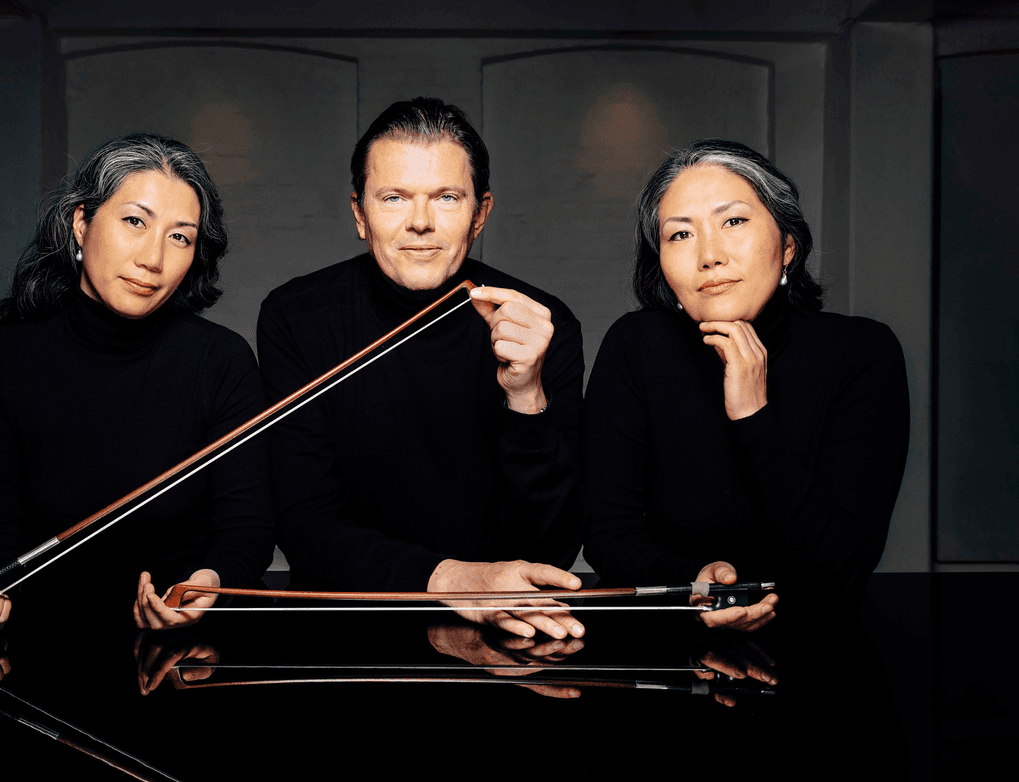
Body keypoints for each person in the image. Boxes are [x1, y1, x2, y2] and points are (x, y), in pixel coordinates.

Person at [257, 97, 587, 640]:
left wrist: (526, 394)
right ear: (360, 214)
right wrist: (452, 579)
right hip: (346, 638)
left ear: (480, 213)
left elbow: (551, 554)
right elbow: (305, 523)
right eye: (393, 198)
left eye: (446, 198)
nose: (420, 223)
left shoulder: (541, 324)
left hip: (507, 634)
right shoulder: (297, 317)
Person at [0, 133, 275, 636]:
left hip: (183, 643)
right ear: (81, 222)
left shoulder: (222, 360)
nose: (153, 259)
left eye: (180, 236)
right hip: (42, 640)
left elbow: (246, 531)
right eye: (134, 222)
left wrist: (205, 586)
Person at [583, 139, 909, 630]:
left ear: (788, 247)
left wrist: (753, 415)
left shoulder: (862, 353)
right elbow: (608, 537)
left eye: (733, 222)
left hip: (821, 659)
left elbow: (843, 567)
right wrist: (697, 585)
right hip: (674, 657)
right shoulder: (637, 346)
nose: (710, 256)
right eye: (680, 235)